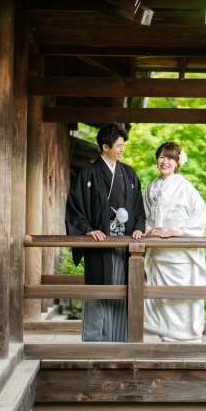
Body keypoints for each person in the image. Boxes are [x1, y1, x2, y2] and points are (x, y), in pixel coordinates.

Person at [65, 122, 145, 342]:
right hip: (99, 244)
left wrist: (139, 228)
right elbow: (75, 208)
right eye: (119, 145)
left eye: (123, 145)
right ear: (105, 147)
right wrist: (87, 230)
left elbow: (138, 207)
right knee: (99, 289)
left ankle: (121, 339)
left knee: (123, 289)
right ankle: (95, 340)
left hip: (124, 244)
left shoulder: (128, 173)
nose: (122, 149)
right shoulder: (88, 174)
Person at [143, 141, 206, 342]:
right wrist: (148, 231)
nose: (165, 162)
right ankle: (166, 337)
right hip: (159, 254)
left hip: (179, 254)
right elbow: (144, 216)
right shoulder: (151, 187)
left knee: (180, 300)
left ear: (178, 162)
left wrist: (181, 232)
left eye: (170, 158)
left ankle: (186, 338)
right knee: (161, 299)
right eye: (162, 157)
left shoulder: (185, 186)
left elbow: (200, 212)